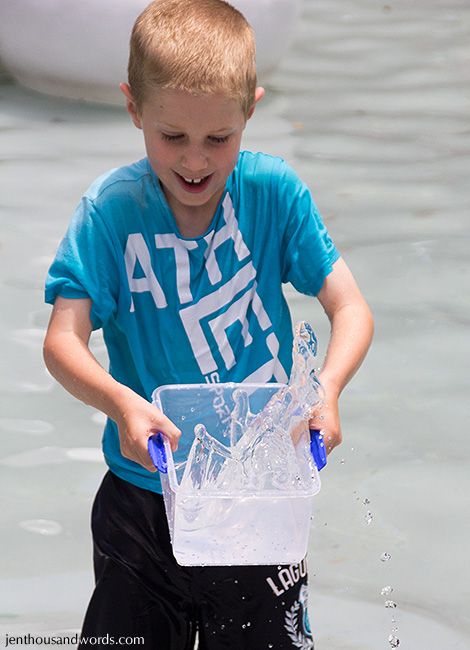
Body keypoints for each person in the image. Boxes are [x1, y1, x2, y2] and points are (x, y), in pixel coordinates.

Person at [43, 0, 374, 647]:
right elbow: (62, 341)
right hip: (142, 503)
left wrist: (326, 390)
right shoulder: (109, 214)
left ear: (251, 109)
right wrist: (122, 406)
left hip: (256, 503)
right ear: (134, 108)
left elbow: (352, 308)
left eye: (218, 139)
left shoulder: (275, 195)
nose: (195, 161)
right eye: (173, 136)